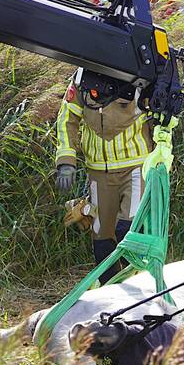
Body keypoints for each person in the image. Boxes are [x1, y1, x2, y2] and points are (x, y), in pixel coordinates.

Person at [54, 67, 153, 281]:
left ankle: (141, 287)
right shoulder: (81, 78)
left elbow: (160, 116)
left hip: (136, 167)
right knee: (102, 242)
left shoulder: (141, 73)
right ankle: (110, 292)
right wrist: (66, 161)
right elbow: (67, 119)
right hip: (98, 172)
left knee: (129, 231)